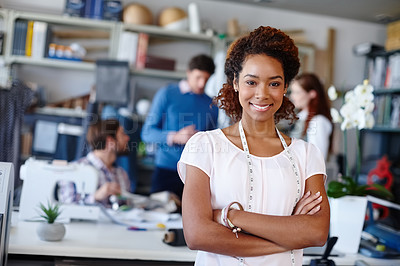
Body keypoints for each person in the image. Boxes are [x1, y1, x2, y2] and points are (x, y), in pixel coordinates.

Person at [177, 26, 330, 265]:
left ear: (285, 87)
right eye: (252, 81)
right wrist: (291, 235)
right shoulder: (204, 146)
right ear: (236, 82)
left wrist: (232, 216)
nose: (262, 94)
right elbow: (197, 235)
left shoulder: (307, 155)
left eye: (274, 83)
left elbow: (317, 233)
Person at [141, 54, 219, 199]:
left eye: (206, 79)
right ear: (188, 72)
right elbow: (147, 133)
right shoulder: (167, 94)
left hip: (195, 175)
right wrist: (176, 136)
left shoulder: (212, 106)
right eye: (198, 78)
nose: (202, 84)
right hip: (166, 170)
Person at [76, 118, 131, 205]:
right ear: (110, 141)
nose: (127, 138)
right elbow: (67, 207)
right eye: (122, 134)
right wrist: (95, 196)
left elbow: (128, 208)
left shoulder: (122, 174)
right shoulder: (77, 170)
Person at [289, 73, 333, 160]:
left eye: (297, 92)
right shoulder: (301, 118)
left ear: (312, 94)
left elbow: (318, 159)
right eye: (292, 92)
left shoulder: (318, 121)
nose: (292, 96)